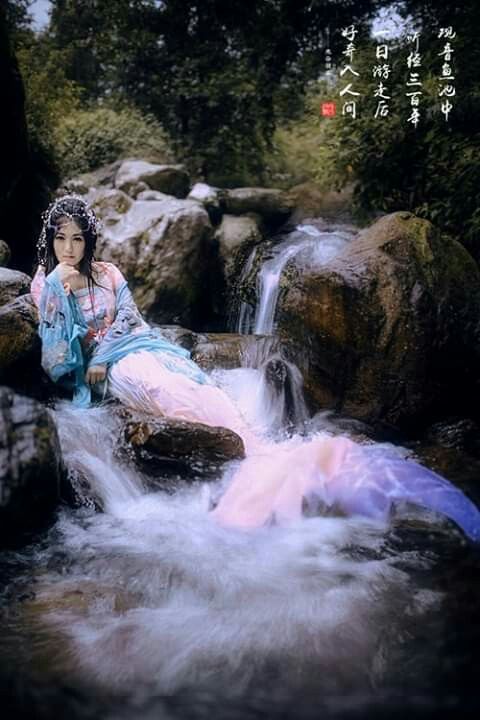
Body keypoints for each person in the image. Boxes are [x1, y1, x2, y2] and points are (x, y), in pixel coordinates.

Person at [31, 195, 480, 541]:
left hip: (135, 346)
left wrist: (109, 346)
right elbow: (57, 359)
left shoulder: (108, 273)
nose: (69, 248)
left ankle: (250, 445)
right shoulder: (45, 283)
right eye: (60, 238)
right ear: (49, 241)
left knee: (192, 381)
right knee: (161, 389)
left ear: (89, 240)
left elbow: (130, 319)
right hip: (106, 370)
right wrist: (63, 295)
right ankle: (243, 455)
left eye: (77, 238)